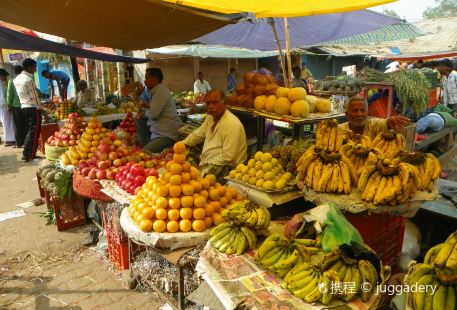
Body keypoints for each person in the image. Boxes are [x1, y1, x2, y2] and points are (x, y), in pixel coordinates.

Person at [181, 89, 247, 180]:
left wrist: (206, 166)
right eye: (208, 103)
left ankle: (200, 176)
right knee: (186, 151)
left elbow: (229, 157)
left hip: (227, 167)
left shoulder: (232, 124)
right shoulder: (210, 118)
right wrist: (181, 145)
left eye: (215, 102)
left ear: (224, 103)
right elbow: (198, 135)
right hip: (208, 161)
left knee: (197, 181)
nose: (211, 106)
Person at [142, 68, 181, 153]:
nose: (144, 81)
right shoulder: (156, 91)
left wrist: (143, 112)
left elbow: (153, 114)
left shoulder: (160, 91)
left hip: (166, 136)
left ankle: (149, 146)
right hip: (159, 132)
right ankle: (148, 144)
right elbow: (153, 108)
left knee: (144, 153)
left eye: (146, 78)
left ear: (155, 79)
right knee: (139, 121)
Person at [339, 95, 410, 140]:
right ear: (347, 114)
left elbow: (384, 122)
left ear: (367, 113)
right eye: (355, 111)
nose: (359, 114)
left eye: (362, 110)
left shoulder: (373, 124)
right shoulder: (339, 130)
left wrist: (391, 121)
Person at [14, 58, 43, 161]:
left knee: (30, 131)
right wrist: (41, 108)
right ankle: (30, 155)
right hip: (32, 107)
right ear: (29, 67)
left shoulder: (16, 79)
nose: (35, 69)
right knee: (34, 132)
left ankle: (27, 153)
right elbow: (34, 97)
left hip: (23, 107)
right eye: (34, 67)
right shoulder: (29, 79)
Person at [7, 65, 26, 148]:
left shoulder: (11, 81)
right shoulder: (25, 79)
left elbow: (9, 94)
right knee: (25, 124)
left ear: (14, 72)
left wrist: (9, 104)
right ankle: (26, 141)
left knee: (18, 125)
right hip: (25, 105)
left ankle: (19, 143)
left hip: (16, 106)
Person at [0, 69, 15, 146]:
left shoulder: (2, 83)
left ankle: (10, 139)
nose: (5, 78)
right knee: (7, 123)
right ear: (1, 75)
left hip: (3, 106)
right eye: (5, 76)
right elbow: (2, 97)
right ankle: (9, 140)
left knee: (6, 122)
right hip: (3, 106)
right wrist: (8, 105)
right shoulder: (1, 84)